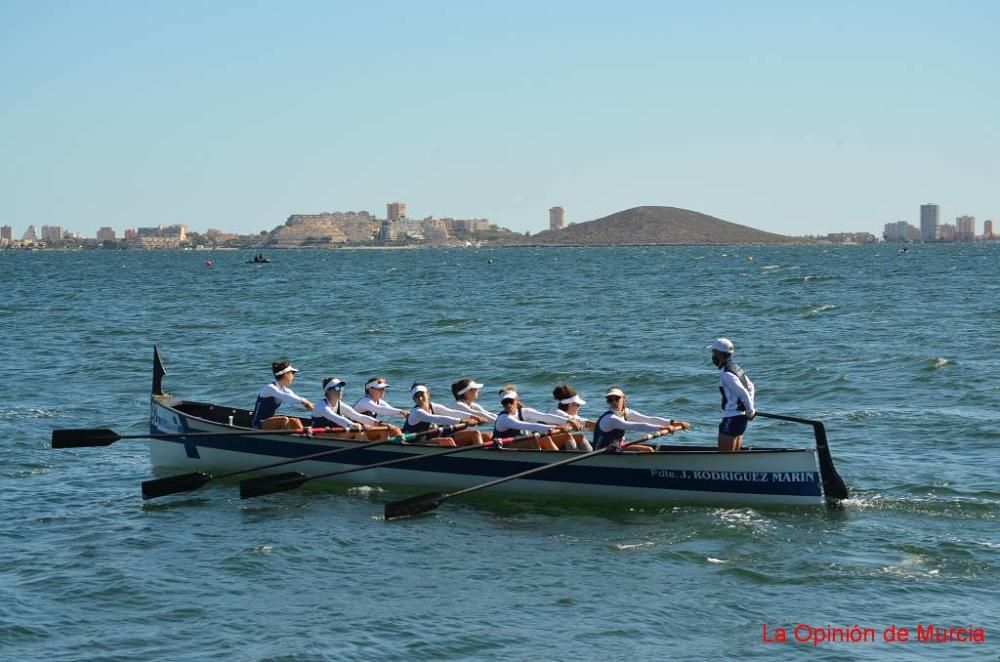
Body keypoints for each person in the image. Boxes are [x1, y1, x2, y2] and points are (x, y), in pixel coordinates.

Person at [593, 387, 686, 452]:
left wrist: (673, 423)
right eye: (610, 400)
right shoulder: (610, 418)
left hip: (616, 446)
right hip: (603, 451)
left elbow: (647, 419)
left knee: (647, 450)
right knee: (648, 450)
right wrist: (662, 428)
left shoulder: (626, 412)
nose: (614, 402)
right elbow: (635, 426)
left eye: (616, 398)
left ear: (623, 399)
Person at [311, 377, 401, 440]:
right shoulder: (321, 406)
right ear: (328, 391)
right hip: (320, 436)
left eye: (342, 388)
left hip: (334, 433)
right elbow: (338, 419)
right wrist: (353, 426)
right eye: (337, 388)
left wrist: (379, 423)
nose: (341, 391)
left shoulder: (340, 404)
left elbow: (358, 416)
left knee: (381, 431)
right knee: (358, 430)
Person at [493, 386, 575, 451]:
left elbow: (545, 417)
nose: (508, 405)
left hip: (519, 444)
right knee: (532, 440)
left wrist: (569, 421)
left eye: (510, 401)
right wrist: (557, 427)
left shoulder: (524, 411)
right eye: (504, 402)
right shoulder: (504, 418)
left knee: (567, 436)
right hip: (504, 447)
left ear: (517, 400)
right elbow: (529, 426)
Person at [709, 337, 756, 452]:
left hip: (732, 418)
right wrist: (749, 409)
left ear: (719, 354)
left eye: (714, 352)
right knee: (733, 456)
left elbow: (742, 391)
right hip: (741, 419)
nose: (713, 355)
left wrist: (750, 409)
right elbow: (750, 387)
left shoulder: (727, 374)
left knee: (725, 457)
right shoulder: (736, 367)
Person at [403, 383, 485, 447]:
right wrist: (462, 421)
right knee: (447, 441)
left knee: (476, 433)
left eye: (421, 394)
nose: (420, 398)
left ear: (428, 394)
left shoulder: (433, 406)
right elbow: (437, 418)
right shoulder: (417, 412)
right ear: (413, 399)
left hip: (432, 438)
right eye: (416, 396)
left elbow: (452, 412)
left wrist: (473, 417)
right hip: (416, 442)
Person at [250, 361, 315, 430]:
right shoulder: (270, 388)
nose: (293, 376)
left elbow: (295, 397)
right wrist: (304, 402)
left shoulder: (284, 389)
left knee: (296, 421)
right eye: (293, 373)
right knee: (284, 420)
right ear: (287, 374)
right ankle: (288, 439)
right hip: (258, 424)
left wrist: (318, 409)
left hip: (270, 420)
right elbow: (284, 396)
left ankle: (305, 438)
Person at [546, 384, 594, 452]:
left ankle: (590, 457)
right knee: (567, 436)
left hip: (554, 441)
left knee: (580, 437)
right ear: (570, 405)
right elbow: (581, 422)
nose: (579, 407)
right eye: (578, 405)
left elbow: (587, 424)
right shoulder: (556, 412)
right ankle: (576, 458)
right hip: (543, 442)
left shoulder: (570, 415)